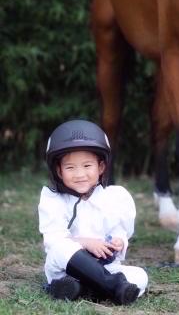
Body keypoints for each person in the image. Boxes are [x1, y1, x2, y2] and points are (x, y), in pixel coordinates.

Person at [38, 119, 148, 305]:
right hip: (64, 269)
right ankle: (113, 287)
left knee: (140, 276)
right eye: (70, 167)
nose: (80, 174)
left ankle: (80, 290)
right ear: (59, 171)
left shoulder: (115, 197)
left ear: (101, 167)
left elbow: (120, 233)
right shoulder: (53, 198)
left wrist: (118, 242)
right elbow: (53, 240)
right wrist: (85, 243)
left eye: (87, 166)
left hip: (104, 267)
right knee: (61, 248)